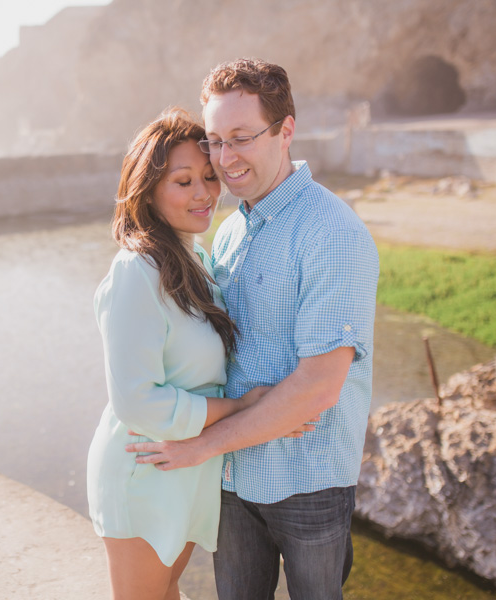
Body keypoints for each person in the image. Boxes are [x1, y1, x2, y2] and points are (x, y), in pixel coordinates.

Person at [126, 58, 380, 600]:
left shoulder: (331, 232)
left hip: (307, 479)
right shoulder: (228, 233)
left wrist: (198, 446)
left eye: (241, 138)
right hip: (234, 479)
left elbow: (319, 386)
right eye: (216, 141)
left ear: (286, 130)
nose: (225, 159)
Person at [87, 108, 316, 600]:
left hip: (185, 468)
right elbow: (137, 400)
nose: (203, 193)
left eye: (209, 178)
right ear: (147, 190)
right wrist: (241, 408)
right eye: (183, 181)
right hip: (144, 467)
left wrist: (279, 408)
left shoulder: (196, 262)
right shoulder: (137, 270)